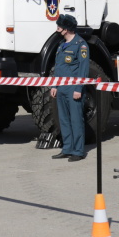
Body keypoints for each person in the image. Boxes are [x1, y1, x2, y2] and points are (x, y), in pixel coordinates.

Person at [49, 14, 90, 162]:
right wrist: (54, 85)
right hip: (61, 88)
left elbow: (83, 70)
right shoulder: (62, 45)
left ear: (66, 29)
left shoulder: (81, 45)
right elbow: (58, 67)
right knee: (64, 120)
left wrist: (79, 88)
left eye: (59, 27)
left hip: (73, 89)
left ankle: (78, 151)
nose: (57, 29)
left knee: (76, 120)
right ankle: (67, 149)